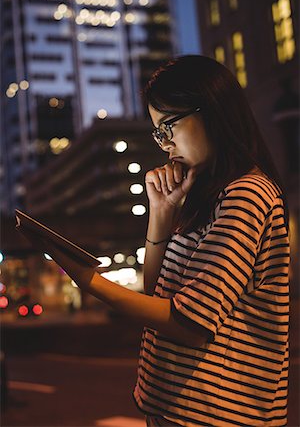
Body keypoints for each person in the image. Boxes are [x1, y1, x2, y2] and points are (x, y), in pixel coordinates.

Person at [25, 55, 290, 427]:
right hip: (178, 409)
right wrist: (161, 211)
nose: (165, 145)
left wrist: (90, 282)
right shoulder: (207, 196)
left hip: (218, 415)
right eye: (158, 132)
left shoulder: (247, 194)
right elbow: (159, 298)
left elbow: (191, 324)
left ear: (212, 110)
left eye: (169, 125)